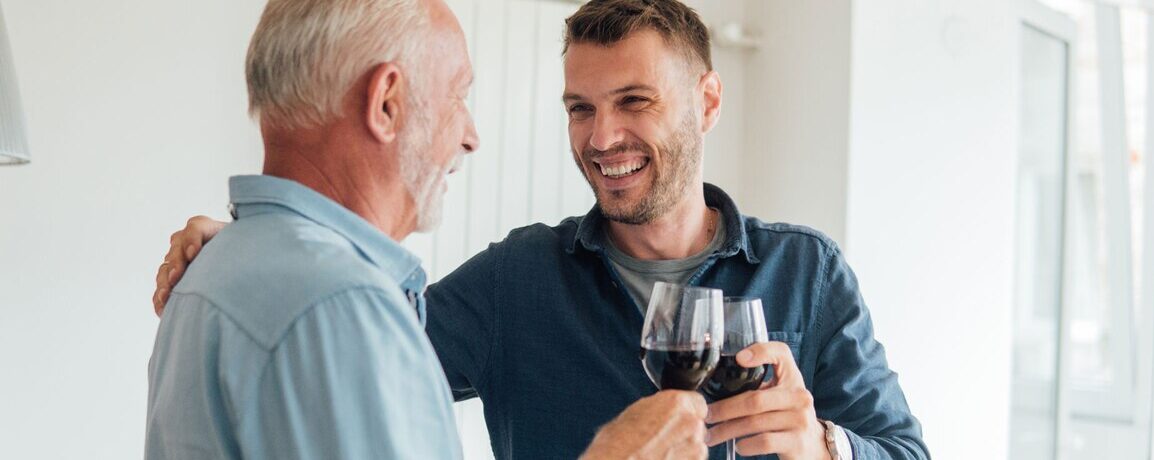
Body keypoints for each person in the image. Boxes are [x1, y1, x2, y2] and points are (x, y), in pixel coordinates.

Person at [154, 0, 930, 459]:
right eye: (580, 109)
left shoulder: (807, 272)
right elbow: (355, 344)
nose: (600, 139)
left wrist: (827, 445)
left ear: (708, 102)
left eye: (634, 102)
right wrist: (262, 242)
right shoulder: (517, 278)